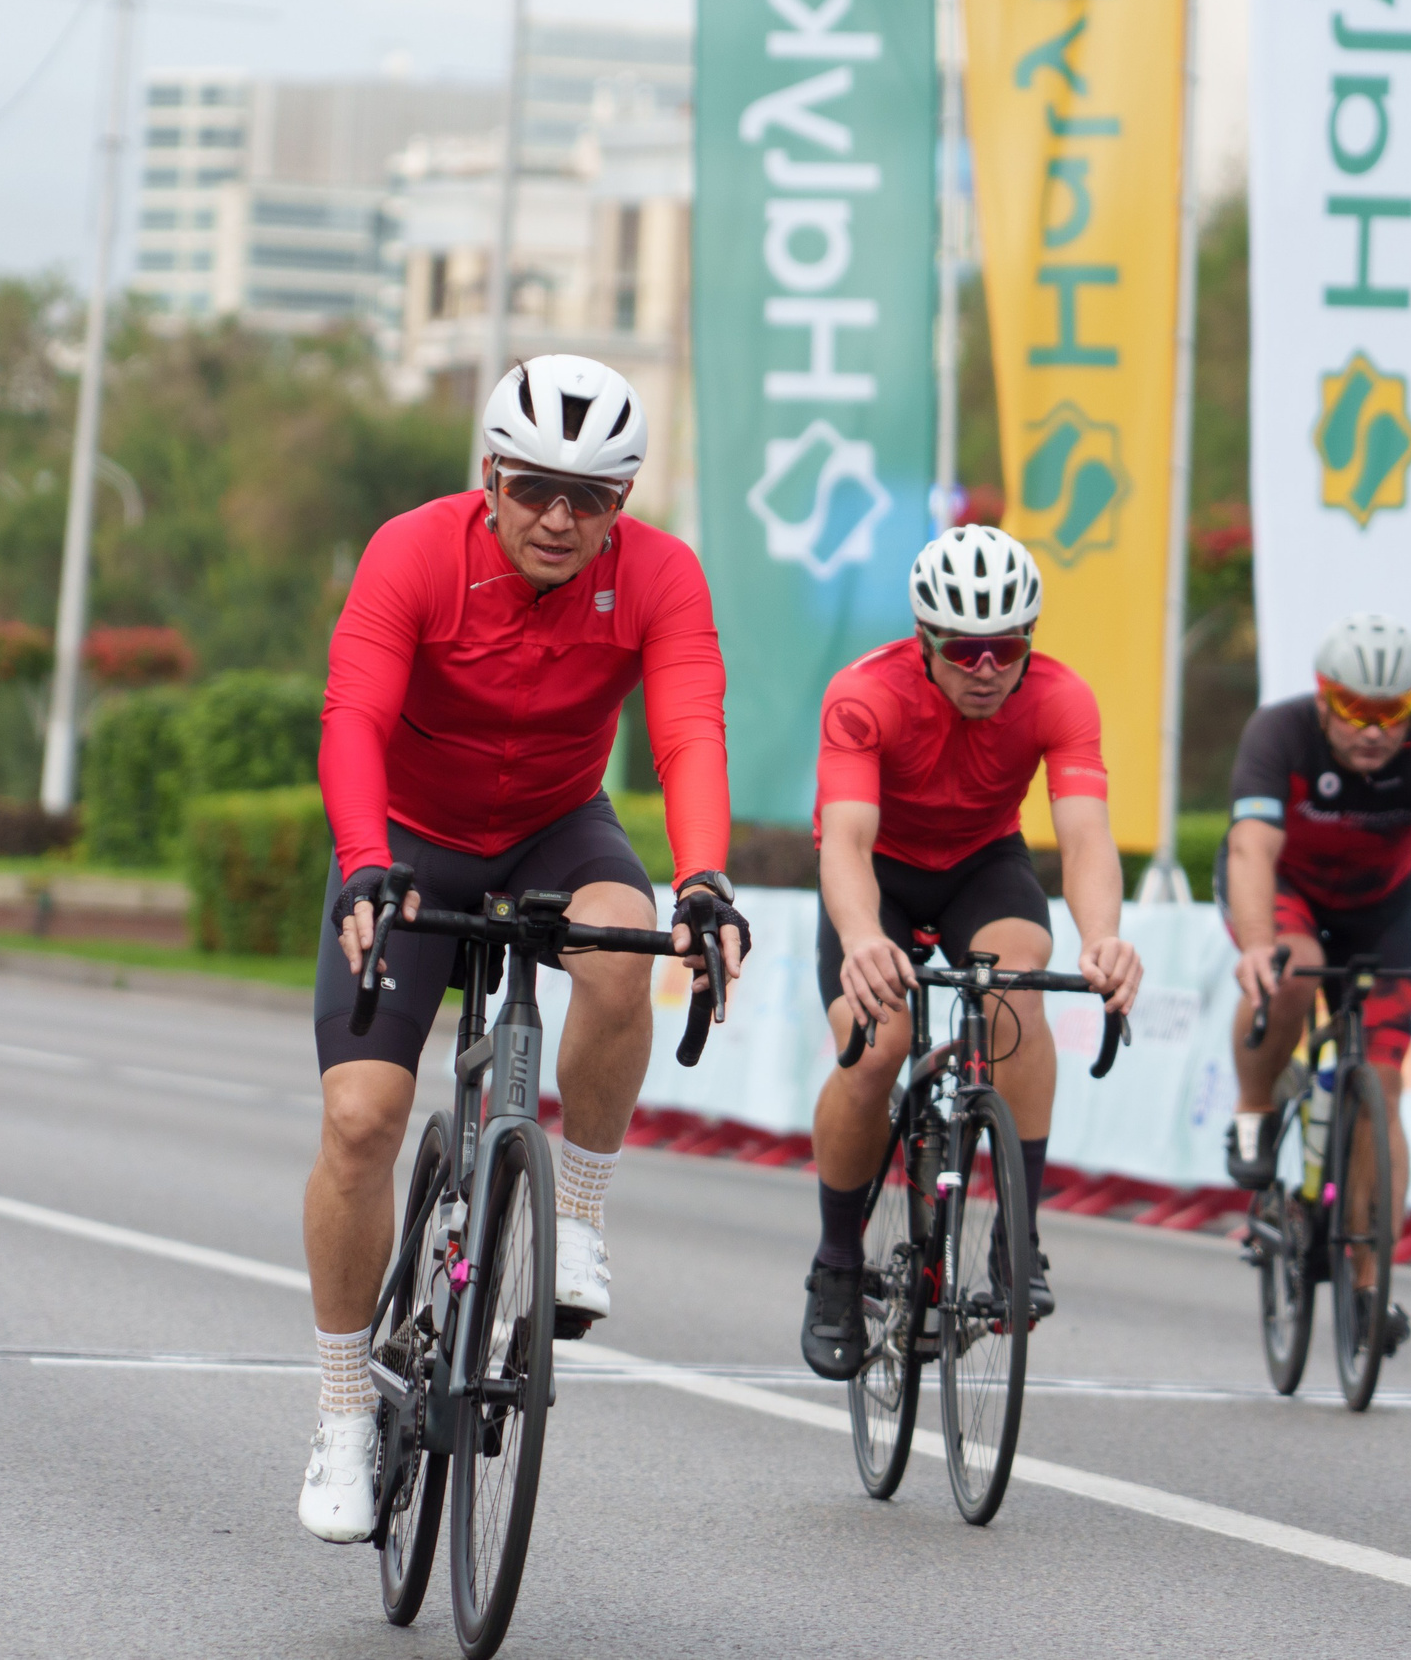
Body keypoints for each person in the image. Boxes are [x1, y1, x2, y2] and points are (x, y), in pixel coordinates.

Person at [299, 355, 751, 1542]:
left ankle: (581, 1218)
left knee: (623, 949)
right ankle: (342, 1415)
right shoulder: (413, 552)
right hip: (408, 839)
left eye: (589, 497)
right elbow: (354, 715)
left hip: (555, 827)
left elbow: (689, 729)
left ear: (622, 501)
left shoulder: (659, 575)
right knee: (359, 1122)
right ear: (490, 477)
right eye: (535, 488)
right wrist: (363, 860)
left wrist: (703, 878)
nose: (558, 517)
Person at [798, 524, 1142, 1381]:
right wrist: (864, 937)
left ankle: (1017, 1236)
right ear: (925, 640)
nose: (986, 669)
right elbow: (845, 840)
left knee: (1018, 991)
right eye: (963, 650)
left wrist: (1103, 937)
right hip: (878, 873)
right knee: (877, 1046)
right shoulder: (864, 693)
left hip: (982, 867)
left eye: (1007, 648)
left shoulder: (1061, 697)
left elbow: (1086, 838)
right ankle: (836, 1262)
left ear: (1030, 640)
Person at [1218, 613, 1411, 1355]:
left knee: (1385, 1086)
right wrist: (1257, 946)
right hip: (1285, 892)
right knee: (1293, 969)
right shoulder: (1278, 733)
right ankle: (1254, 1107)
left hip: (1378, 908)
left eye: (1393, 712)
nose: (1374, 730)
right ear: (1323, 697)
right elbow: (1250, 850)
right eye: (1354, 709)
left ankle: (1370, 1286)